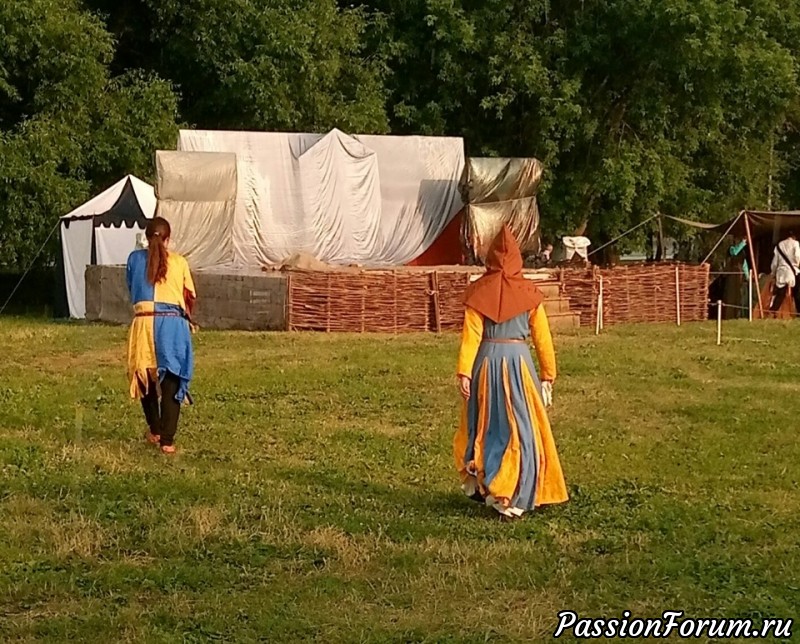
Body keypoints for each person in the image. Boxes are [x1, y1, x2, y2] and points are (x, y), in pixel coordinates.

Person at [453, 225, 568, 520]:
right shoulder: (529, 294)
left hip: (485, 363)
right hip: (518, 363)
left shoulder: (479, 292)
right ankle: (513, 491)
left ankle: (492, 485)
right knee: (521, 428)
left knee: (488, 425)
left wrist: (465, 371)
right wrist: (548, 374)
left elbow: (471, 336)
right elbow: (542, 338)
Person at [126, 216, 197, 454]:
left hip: (144, 322)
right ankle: (167, 441)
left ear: (146, 237)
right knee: (171, 379)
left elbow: (132, 288)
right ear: (168, 239)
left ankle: (155, 430)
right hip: (173, 325)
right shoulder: (179, 262)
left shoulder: (134, 259)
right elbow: (189, 296)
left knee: (146, 376)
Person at [769, 230, 800, 314]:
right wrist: (796, 264)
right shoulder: (795, 243)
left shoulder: (779, 245)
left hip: (781, 271)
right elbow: (797, 257)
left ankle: (773, 310)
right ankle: (799, 312)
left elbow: (775, 262)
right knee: (797, 293)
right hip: (793, 271)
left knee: (780, 293)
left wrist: (773, 273)